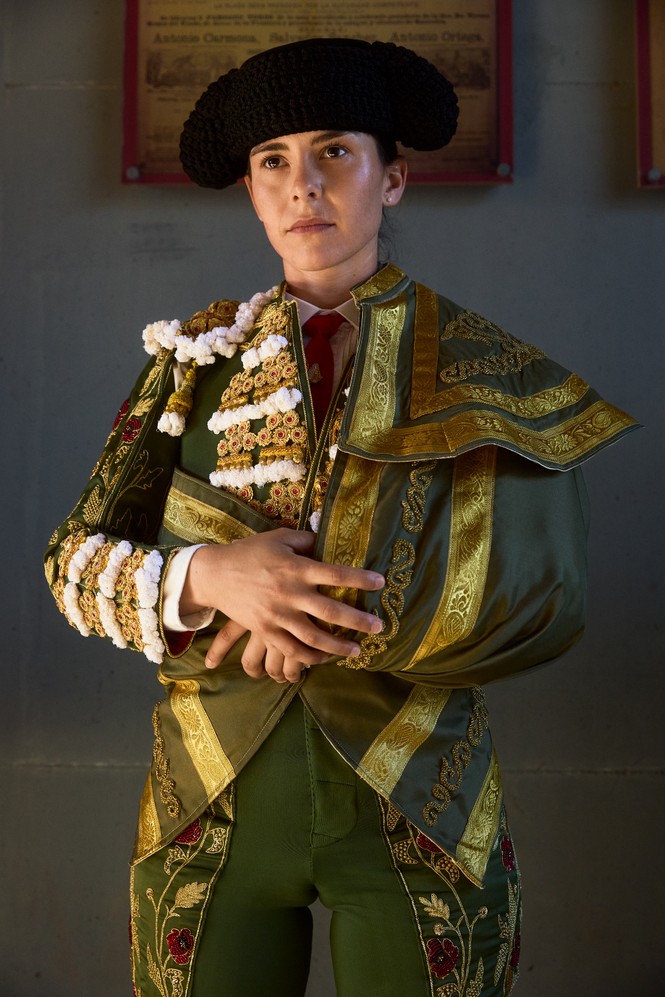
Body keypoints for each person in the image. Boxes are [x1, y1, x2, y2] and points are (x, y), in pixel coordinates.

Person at [44, 37, 637, 997]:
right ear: (250, 189)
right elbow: (71, 563)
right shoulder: (189, 364)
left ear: (391, 178)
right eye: (273, 161)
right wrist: (210, 577)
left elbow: (543, 596)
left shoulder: (482, 368)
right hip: (211, 804)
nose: (303, 185)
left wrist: (314, 622)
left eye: (334, 152)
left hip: (418, 805)